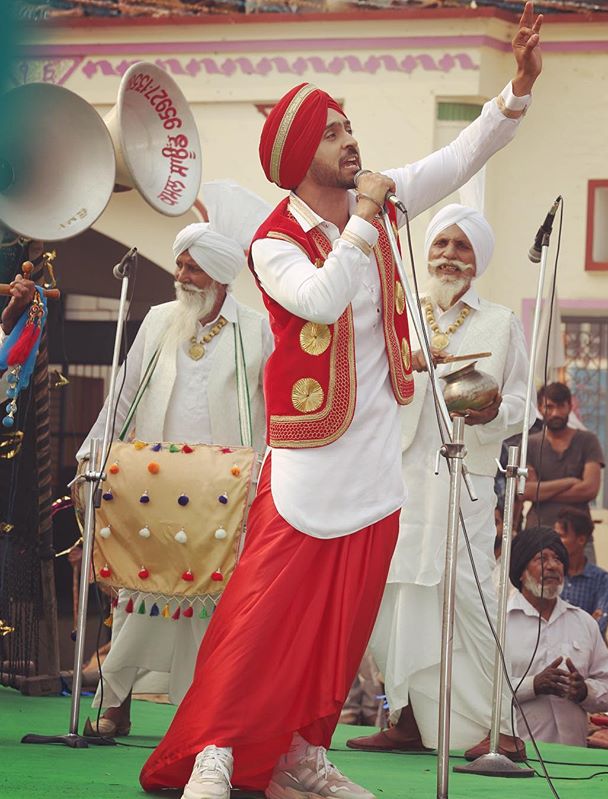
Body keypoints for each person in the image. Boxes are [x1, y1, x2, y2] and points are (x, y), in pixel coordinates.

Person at [140, 6, 543, 798]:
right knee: (263, 616)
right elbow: (320, 302)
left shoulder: (385, 204)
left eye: (350, 126)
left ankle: (296, 749)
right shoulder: (273, 239)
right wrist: (364, 216)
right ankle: (217, 748)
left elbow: (461, 155)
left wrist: (518, 88)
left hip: (378, 457)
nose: (351, 140)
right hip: (306, 461)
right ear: (298, 155)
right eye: (333, 132)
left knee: (336, 627)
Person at [346, 204, 533, 760]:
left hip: (463, 478)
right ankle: (403, 718)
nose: (448, 255)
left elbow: (522, 404)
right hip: (397, 473)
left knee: (468, 597)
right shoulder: (399, 314)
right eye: (441, 244)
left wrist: (491, 412)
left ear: (477, 260)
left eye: (462, 246)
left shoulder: (500, 323)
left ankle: (501, 727)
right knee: (394, 592)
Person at [76, 221, 272, 737]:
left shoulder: (256, 329)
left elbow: (270, 413)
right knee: (138, 596)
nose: (181, 274)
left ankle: (196, 711)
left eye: (193, 265)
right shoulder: (160, 319)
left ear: (223, 276)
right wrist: (90, 458)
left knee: (210, 603)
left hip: (226, 493)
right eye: (180, 263)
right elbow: (124, 393)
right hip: (153, 485)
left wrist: (269, 475)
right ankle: (114, 703)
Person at [506, 527, 608, 746]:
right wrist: (533, 686)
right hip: (516, 755)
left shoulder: (584, 623)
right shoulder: (500, 622)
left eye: (557, 558)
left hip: (573, 757)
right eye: (541, 558)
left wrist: (585, 691)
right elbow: (483, 692)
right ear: (521, 571)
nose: (552, 565)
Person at [524, 382, 605, 563]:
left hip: (579, 538)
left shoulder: (588, 441)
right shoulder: (530, 444)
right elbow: (527, 491)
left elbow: (590, 490)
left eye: (561, 406)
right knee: (538, 589)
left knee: (583, 588)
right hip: (538, 535)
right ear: (539, 408)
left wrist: (542, 492)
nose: (555, 413)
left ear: (570, 406)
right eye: (549, 406)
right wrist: (569, 481)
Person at [554, 507, 608, 638]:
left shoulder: (602, 579)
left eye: (561, 536)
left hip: (589, 653)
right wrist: (587, 622)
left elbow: (599, 626)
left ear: (581, 540)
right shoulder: (551, 574)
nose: (555, 542)